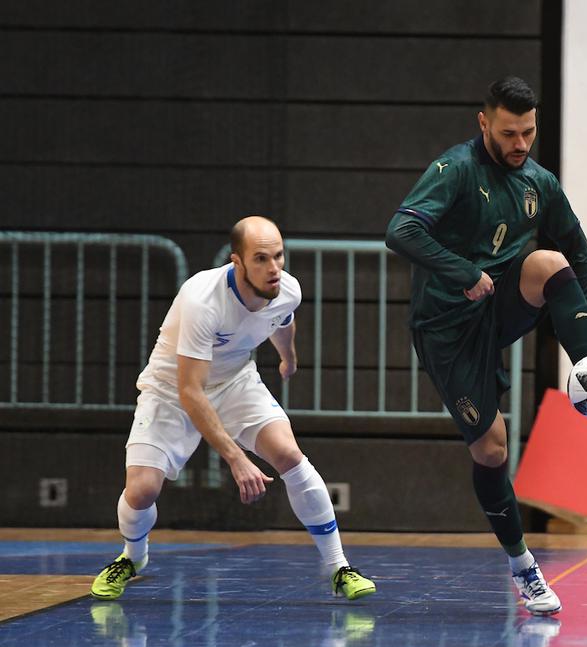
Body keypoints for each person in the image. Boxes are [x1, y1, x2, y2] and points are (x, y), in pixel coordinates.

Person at [385, 76, 587, 616]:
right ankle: (523, 566)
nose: (519, 144)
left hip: (498, 305)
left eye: (528, 133)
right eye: (509, 133)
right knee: (492, 449)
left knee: (549, 263)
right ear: (484, 122)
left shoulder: (539, 182)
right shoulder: (455, 169)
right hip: (447, 328)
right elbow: (401, 231)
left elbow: (579, 254)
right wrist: (462, 270)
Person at [90, 217, 375, 602]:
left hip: (237, 382)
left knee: (290, 455)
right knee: (141, 491)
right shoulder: (201, 299)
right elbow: (191, 391)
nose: (273, 269)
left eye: (278, 256)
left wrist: (288, 358)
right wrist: (236, 459)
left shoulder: (287, 288)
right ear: (237, 262)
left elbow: (281, 321)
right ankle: (133, 556)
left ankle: (338, 566)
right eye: (261, 259)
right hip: (172, 389)